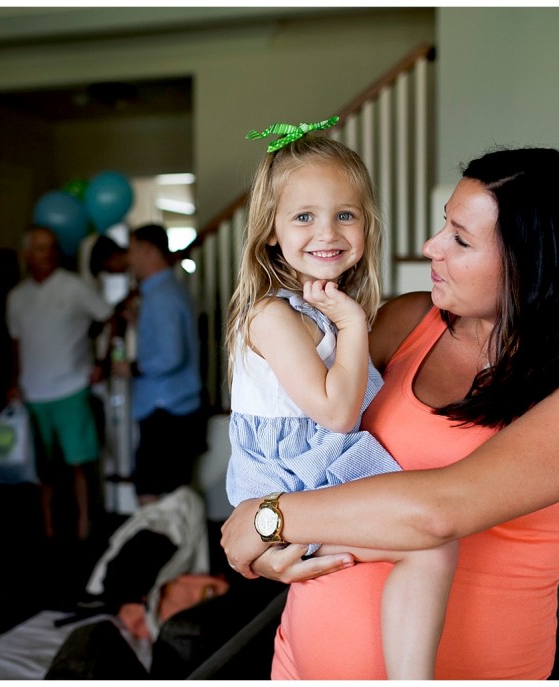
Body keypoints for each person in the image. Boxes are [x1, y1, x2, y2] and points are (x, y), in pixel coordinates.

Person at [221, 145, 559, 679]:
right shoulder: (407, 320)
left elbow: (441, 509)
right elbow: (297, 432)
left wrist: (268, 519)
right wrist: (271, 544)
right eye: (442, 225)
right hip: (301, 664)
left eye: (460, 239)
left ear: (533, 259)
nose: (431, 247)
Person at [223, 123, 460, 680]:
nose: (326, 231)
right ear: (271, 233)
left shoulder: (314, 309)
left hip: (316, 473)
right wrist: (353, 325)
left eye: (345, 214)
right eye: (303, 216)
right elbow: (336, 412)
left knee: (426, 543)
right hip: (293, 481)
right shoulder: (274, 315)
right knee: (429, 547)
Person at [7, 225, 115, 541]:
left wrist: (102, 362)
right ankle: (49, 528)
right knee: (43, 470)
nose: (48, 253)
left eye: (52, 247)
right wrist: (13, 383)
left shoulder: (74, 287)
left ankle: (84, 523)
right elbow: (16, 345)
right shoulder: (16, 297)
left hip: (71, 387)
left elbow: (111, 317)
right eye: (40, 248)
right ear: (27, 254)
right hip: (32, 392)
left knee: (79, 464)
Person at [111, 223, 206, 505]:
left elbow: (170, 356)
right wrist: (139, 324)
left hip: (166, 406)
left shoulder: (161, 294)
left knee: (153, 490)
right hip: (174, 404)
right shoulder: (168, 289)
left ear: (147, 251)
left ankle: (160, 548)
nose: (128, 258)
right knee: (172, 488)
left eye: (131, 250)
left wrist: (132, 368)